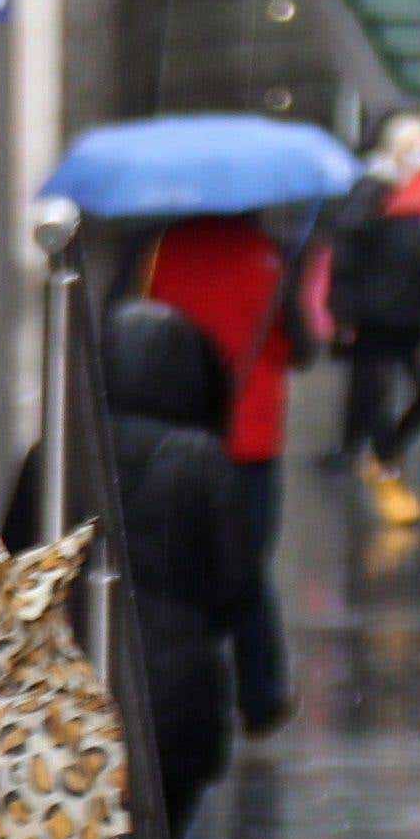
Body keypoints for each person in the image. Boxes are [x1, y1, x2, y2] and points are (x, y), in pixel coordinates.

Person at [60, 300, 262, 839]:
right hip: (178, 692)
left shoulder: (59, 457)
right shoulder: (201, 459)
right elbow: (237, 584)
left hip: (70, 684)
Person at [130, 208, 308, 734]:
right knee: (246, 567)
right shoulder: (270, 257)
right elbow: (301, 347)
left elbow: (130, 325)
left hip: (174, 432)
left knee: (175, 565)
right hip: (250, 437)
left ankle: (180, 687)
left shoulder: (160, 248)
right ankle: (261, 695)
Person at [321, 109, 420, 519]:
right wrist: (344, 315)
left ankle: (392, 454)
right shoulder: (373, 195)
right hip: (377, 317)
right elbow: (348, 259)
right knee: (375, 393)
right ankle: (385, 463)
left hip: (418, 319)